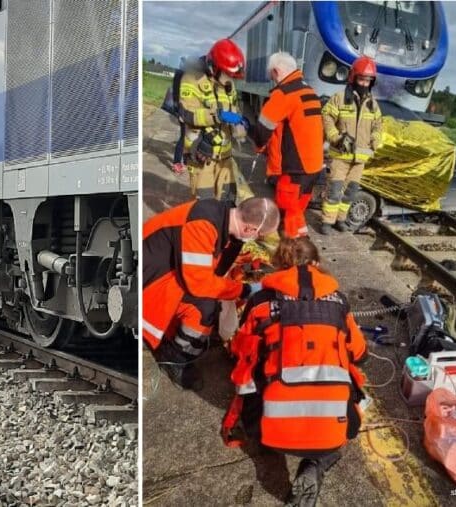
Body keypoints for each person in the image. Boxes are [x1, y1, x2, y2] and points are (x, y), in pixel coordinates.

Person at [225, 237, 368, 506]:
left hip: (269, 433)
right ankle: (317, 463)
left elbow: (240, 354)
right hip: (330, 434)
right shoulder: (340, 303)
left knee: (258, 379)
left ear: (278, 265)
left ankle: (272, 440)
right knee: (355, 404)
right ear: (316, 263)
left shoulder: (260, 302)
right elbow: (360, 354)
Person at [142, 197, 280, 389]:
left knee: (212, 301)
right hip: (150, 281)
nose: (258, 240)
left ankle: (179, 340)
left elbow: (212, 269)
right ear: (250, 229)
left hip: (164, 271)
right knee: (204, 308)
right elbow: (200, 284)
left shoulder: (222, 219)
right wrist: (244, 290)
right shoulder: (203, 225)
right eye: (260, 235)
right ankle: (175, 357)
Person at [253, 52, 324, 238]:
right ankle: (299, 248)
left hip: (294, 169)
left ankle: (296, 253)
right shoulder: (310, 91)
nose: (272, 80)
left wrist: (259, 146)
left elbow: (262, 129)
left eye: (271, 75)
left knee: (288, 213)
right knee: (298, 212)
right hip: (314, 167)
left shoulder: (283, 94)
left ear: (276, 71)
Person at [178, 39, 249, 202]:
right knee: (205, 206)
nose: (229, 78)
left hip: (225, 157)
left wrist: (238, 122)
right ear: (213, 67)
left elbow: (233, 108)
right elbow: (187, 114)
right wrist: (218, 115)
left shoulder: (227, 82)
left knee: (228, 202)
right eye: (227, 74)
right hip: (202, 156)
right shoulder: (192, 79)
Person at [320, 56, 383, 234]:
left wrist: (375, 140)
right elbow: (326, 117)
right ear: (353, 78)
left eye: (368, 80)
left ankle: (340, 220)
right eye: (362, 79)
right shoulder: (339, 98)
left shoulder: (373, 104)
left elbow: (378, 125)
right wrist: (336, 137)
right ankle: (326, 222)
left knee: (350, 193)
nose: (364, 83)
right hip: (340, 156)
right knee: (334, 190)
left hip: (360, 159)